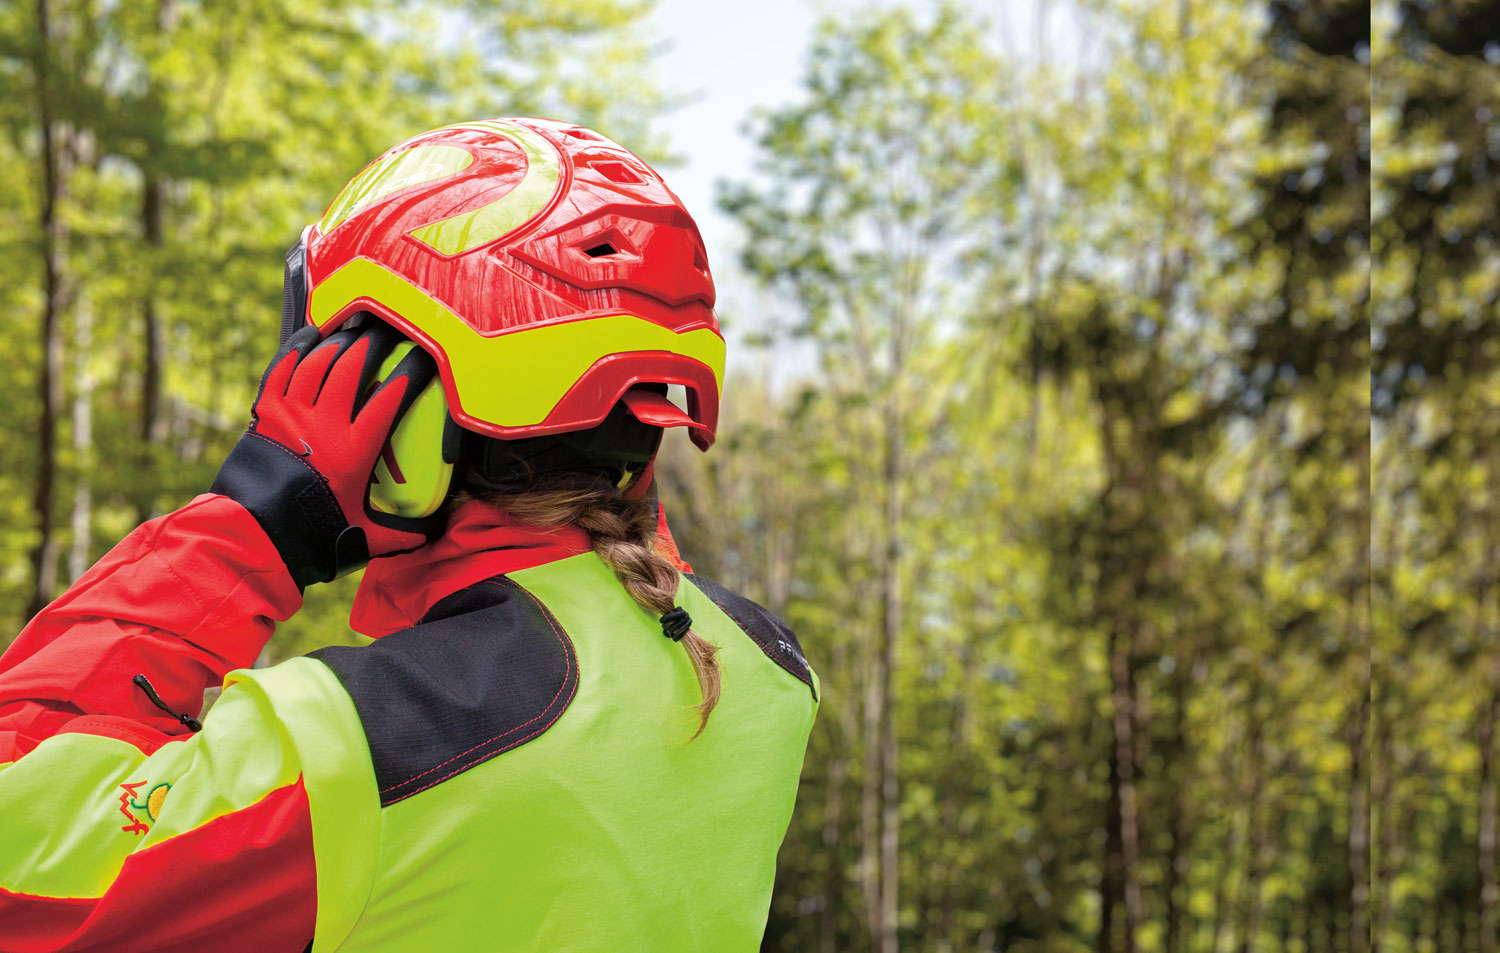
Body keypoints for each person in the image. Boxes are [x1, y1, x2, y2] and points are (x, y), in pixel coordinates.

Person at [0, 117, 818, 952]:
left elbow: (16, 861)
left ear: (402, 396)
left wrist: (250, 527)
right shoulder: (768, 669)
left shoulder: (362, 745)